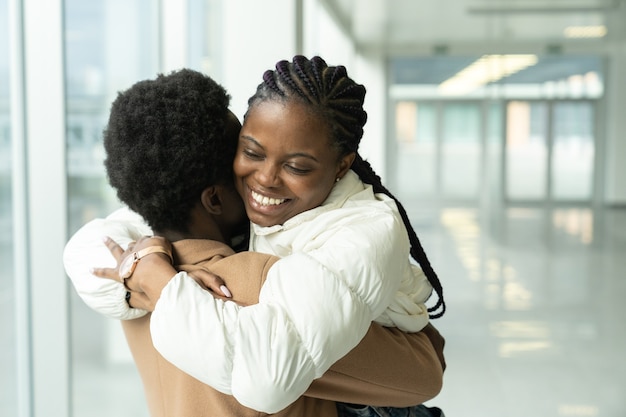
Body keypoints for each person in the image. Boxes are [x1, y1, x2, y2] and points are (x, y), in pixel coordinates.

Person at [65, 57, 446, 414]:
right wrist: (156, 276)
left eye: (296, 165)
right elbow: (425, 372)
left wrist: (152, 274)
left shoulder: (132, 269)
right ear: (213, 196)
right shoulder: (253, 281)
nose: (262, 179)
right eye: (247, 152)